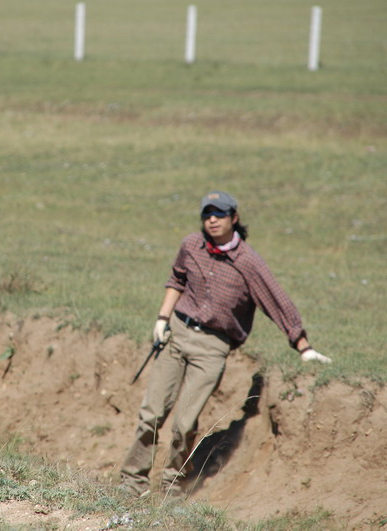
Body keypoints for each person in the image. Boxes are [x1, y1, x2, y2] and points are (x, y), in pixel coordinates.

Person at [119, 190, 332, 498]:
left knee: (184, 423)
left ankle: (171, 487)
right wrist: (162, 320)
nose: (212, 220)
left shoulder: (248, 262)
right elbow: (176, 280)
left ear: (235, 218)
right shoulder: (191, 245)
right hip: (176, 335)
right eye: (207, 214)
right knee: (151, 414)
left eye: (219, 214)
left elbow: (276, 302)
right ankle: (132, 482)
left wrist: (304, 347)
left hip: (212, 348)